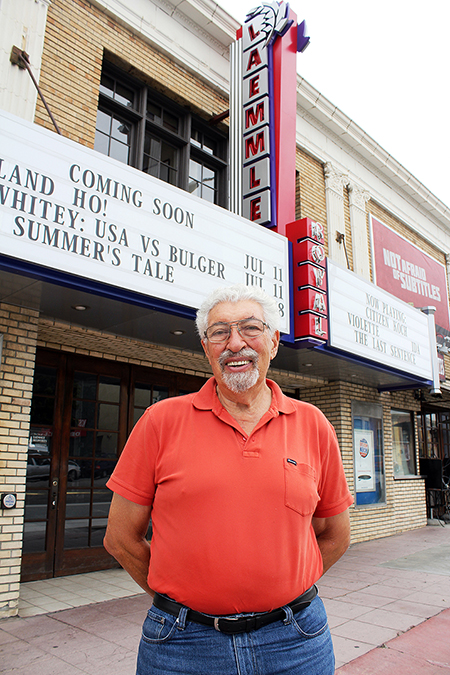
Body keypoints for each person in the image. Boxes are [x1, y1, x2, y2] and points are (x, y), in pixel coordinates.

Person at [104, 283, 353, 675]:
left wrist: (286, 588)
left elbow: (335, 534)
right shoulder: (160, 421)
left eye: (250, 328)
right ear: (206, 348)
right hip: (182, 645)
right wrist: (181, 602)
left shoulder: (314, 425)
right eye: (220, 332)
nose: (235, 343)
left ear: (273, 342)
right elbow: (120, 538)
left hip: (296, 642)